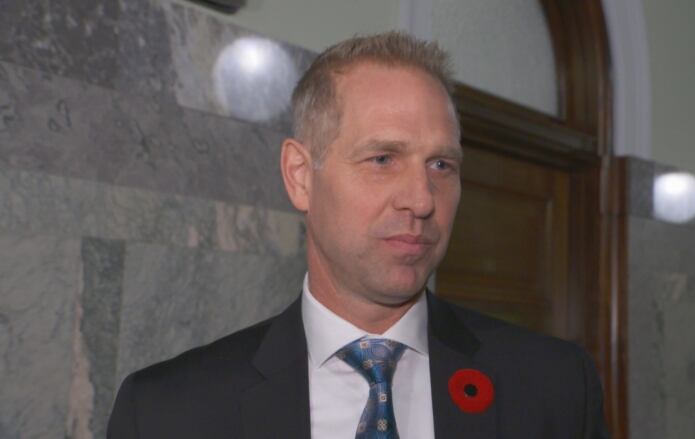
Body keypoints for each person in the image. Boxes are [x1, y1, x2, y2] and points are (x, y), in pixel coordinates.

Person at [108, 31, 609, 439]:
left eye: (441, 164)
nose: (422, 198)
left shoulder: (556, 389)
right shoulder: (166, 413)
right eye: (383, 159)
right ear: (301, 176)